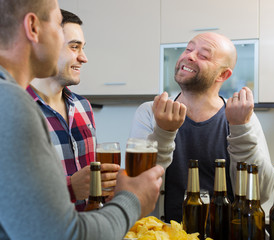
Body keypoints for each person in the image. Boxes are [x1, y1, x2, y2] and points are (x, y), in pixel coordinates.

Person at [0, 0, 164, 239]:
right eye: (58, 26)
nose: (84, 58)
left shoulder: (15, 99)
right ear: (33, 27)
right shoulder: (12, 104)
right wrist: (133, 199)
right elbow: (61, 234)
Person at [129, 32, 274, 223]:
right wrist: (163, 132)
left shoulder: (241, 117)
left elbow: (261, 193)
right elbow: (135, 184)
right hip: (163, 235)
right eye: (189, 49)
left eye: (203, 55)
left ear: (223, 74)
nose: (189, 56)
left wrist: (241, 129)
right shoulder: (150, 112)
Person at [26, 9, 119, 211]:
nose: (84, 58)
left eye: (83, 48)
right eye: (74, 47)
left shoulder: (83, 106)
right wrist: (70, 188)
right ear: (45, 45)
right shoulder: (17, 108)